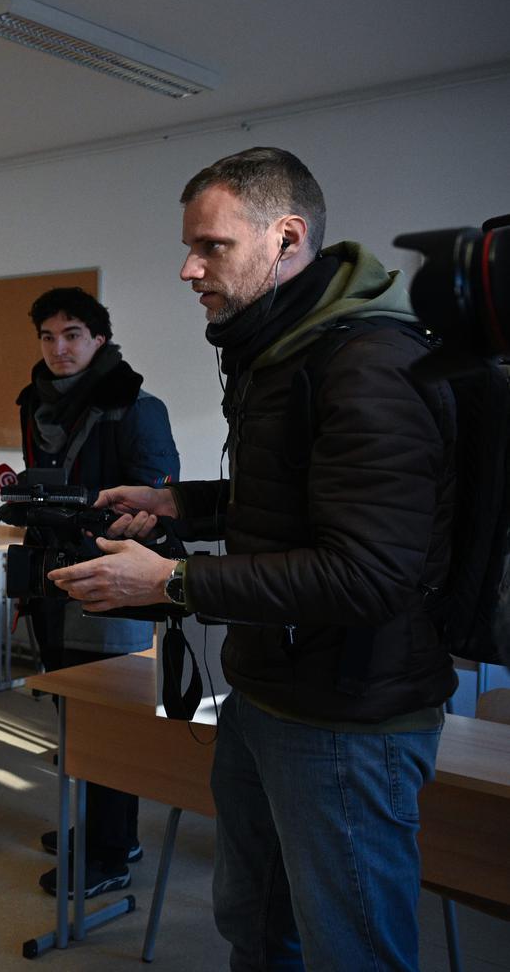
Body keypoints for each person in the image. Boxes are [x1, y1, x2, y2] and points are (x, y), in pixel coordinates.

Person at [49, 147, 456, 971]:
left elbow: (368, 572)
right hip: (267, 692)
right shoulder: (280, 348)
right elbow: (295, 502)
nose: (186, 268)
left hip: (349, 719)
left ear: (286, 237)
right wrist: (182, 503)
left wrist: (171, 579)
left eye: (211, 247)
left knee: (351, 953)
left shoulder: (366, 363)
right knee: (257, 929)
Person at [15, 286, 178, 899]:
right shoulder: (35, 402)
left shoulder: (138, 406)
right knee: (74, 715)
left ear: (99, 339)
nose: (60, 348)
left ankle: (108, 853)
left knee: (108, 720)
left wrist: (117, 519)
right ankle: (110, 830)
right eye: (48, 336)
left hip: (113, 578)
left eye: (73, 334)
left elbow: (162, 499)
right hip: (51, 576)